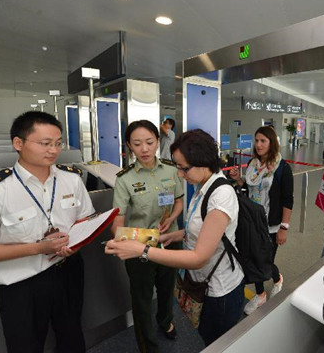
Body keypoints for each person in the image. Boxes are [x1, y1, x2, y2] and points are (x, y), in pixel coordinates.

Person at [0, 111, 95, 353]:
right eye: (45, 143)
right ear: (18, 143)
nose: (53, 150)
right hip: (22, 284)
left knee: (72, 339)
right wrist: (38, 248)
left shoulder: (71, 179)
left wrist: (77, 244)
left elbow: (85, 218)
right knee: (25, 346)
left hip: (69, 272)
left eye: (57, 143)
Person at [105, 129, 245, 347]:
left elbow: (199, 257)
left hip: (220, 288)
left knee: (217, 343)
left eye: (183, 168)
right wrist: (177, 234)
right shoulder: (202, 187)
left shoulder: (221, 194)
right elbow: (202, 230)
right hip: (203, 282)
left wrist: (142, 251)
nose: (179, 174)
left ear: (203, 161)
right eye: (178, 166)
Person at [111, 120, 184, 352]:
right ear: (129, 146)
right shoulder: (124, 179)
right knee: (141, 298)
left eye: (149, 142)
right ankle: (147, 345)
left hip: (170, 240)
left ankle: (165, 321)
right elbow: (118, 218)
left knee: (166, 288)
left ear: (158, 141)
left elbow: (180, 200)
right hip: (139, 244)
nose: (144, 149)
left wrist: (172, 218)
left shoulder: (172, 169)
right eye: (137, 143)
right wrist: (121, 239)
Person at [229, 126, 294, 315]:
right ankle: (260, 294)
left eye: (263, 141)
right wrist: (238, 179)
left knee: (264, 260)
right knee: (253, 257)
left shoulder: (282, 167)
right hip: (251, 220)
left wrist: (284, 227)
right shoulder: (252, 164)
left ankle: (277, 278)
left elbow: (287, 200)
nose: (258, 144)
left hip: (272, 224)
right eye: (256, 140)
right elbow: (250, 189)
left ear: (271, 143)